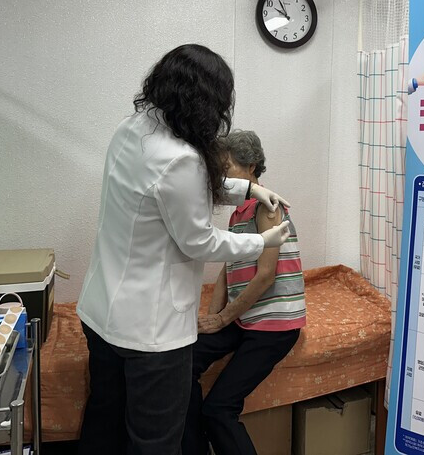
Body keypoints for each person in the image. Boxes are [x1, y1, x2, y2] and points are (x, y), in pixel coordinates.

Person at [76, 45, 292, 455]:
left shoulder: (131, 128)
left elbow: (169, 190)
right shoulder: (182, 159)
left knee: (104, 427)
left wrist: (248, 189)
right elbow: (199, 241)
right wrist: (261, 241)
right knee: (155, 442)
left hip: (101, 310)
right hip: (151, 331)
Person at [182, 130, 306, 455]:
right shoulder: (238, 213)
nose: (221, 177)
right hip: (246, 319)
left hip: (274, 327)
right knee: (185, 361)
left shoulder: (267, 208)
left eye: (227, 168)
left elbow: (265, 276)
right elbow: (228, 269)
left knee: (218, 409)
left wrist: (223, 318)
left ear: (251, 167)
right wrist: (212, 319)